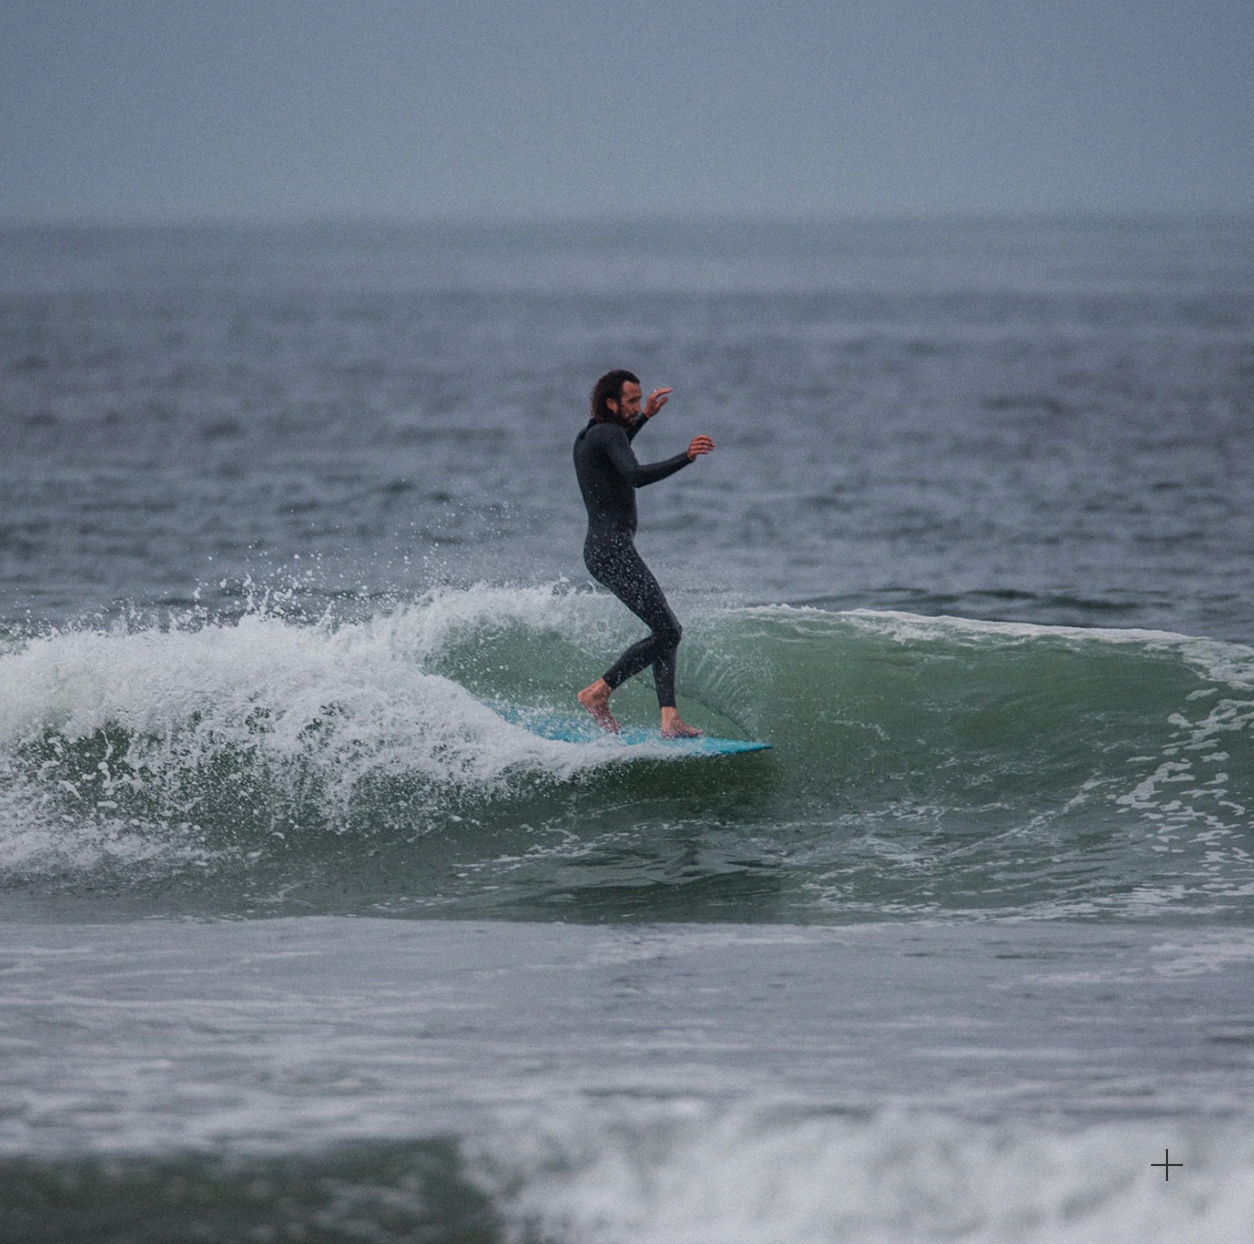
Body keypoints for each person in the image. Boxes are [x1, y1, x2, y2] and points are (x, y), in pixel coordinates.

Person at [573, 369, 714, 736]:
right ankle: (598, 692)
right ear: (611, 403)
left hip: (603, 550)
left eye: (639, 400)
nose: (637, 406)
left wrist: (647, 416)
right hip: (612, 551)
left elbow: (619, 449)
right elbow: (633, 474)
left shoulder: (591, 436)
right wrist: (686, 457)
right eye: (632, 401)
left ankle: (670, 719)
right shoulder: (609, 434)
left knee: (665, 629)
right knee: (669, 631)